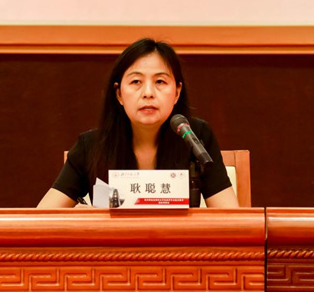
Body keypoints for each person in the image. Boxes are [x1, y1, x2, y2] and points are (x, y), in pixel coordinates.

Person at [37, 38, 239, 208]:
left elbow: (230, 218)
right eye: (136, 82)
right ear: (119, 94)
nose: (148, 93)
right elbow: (43, 218)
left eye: (160, 82)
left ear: (177, 92)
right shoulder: (90, 147)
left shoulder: (195, 137)